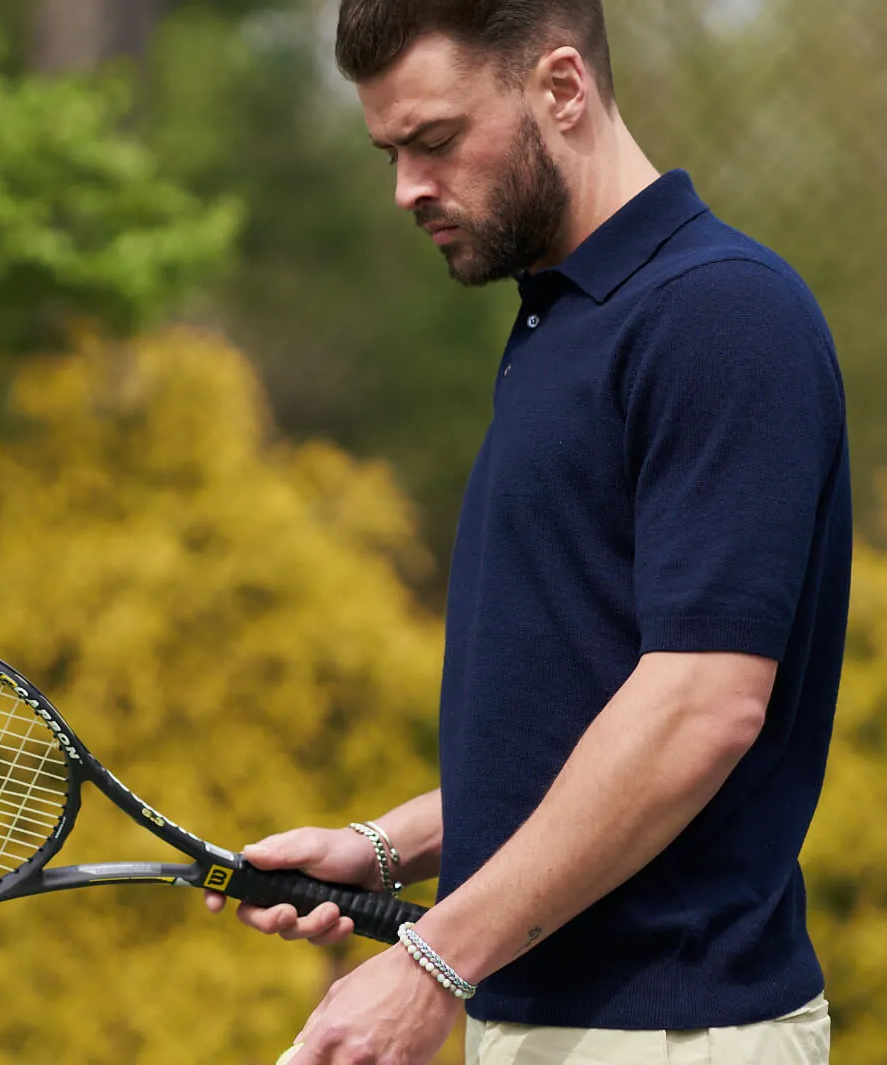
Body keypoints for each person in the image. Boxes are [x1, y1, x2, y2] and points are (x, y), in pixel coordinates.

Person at [205, 2, 852, 1062]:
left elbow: (697, 710)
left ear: (562, 88)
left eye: (436, 141)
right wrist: (386, 848)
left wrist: (432, 959)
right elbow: (580, 732)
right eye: (390, 151)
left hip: (678, 1033)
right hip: (546, 1019)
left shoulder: (720, 315)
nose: (408, 187)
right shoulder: (568, 321)